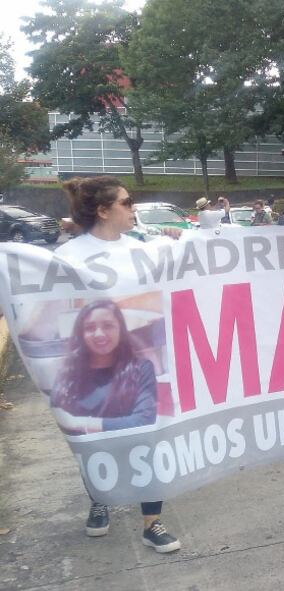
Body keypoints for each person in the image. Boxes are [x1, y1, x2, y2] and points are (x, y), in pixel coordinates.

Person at [53, 176, 181, 553]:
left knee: (148, 437)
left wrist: (178, 243)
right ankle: (100, 500)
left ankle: (152, 523)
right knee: (94, 442)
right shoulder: (68, 256)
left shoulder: (141, 249)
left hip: (134, 362)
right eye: (127, 202)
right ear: (103, 210)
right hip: (88, 368)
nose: (133, 208)